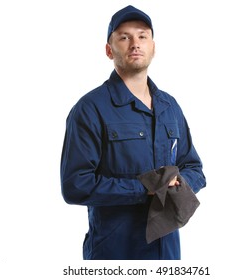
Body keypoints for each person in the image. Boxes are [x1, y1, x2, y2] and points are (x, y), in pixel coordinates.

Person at [60, 5, 206, 260]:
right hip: (115, 254)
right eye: (124, 37)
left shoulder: (169, 107)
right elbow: (75, 185)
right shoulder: (90, 109)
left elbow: (194, 168)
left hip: (167, 253)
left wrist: (177, 185)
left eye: (142, 36)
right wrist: (146, 188)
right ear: (109, 50)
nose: (135, 43)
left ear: (153, 47)